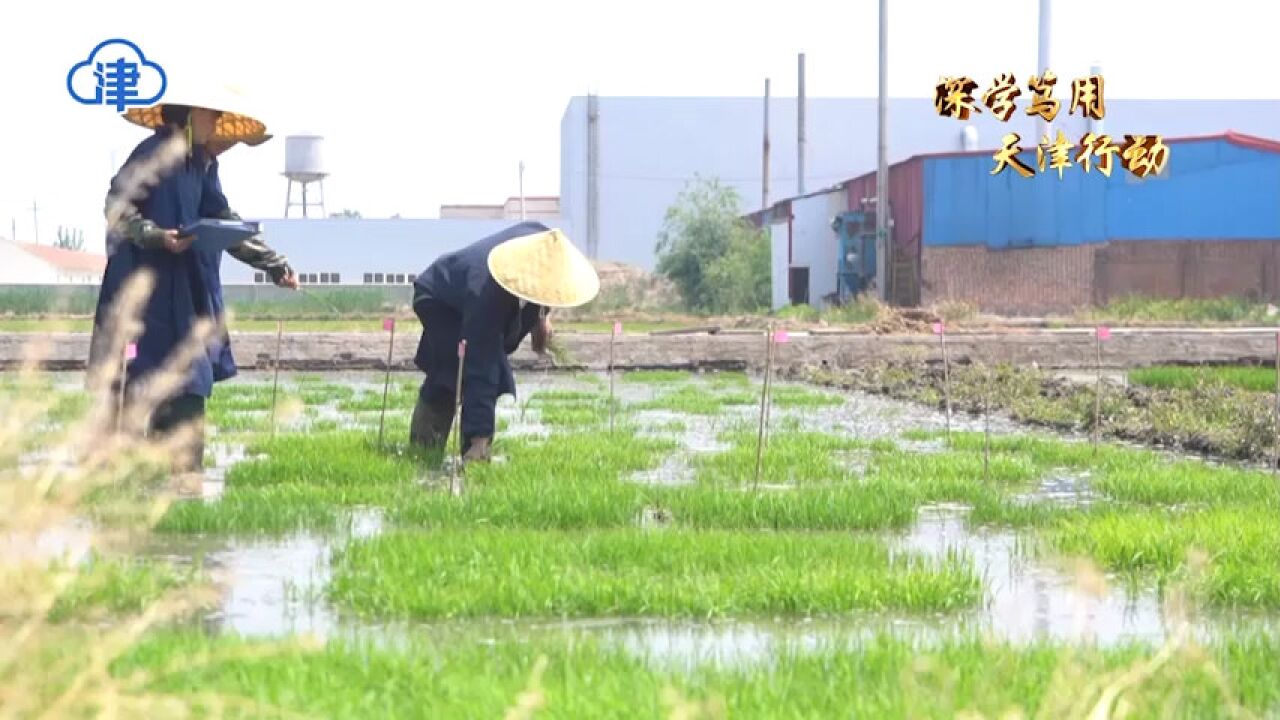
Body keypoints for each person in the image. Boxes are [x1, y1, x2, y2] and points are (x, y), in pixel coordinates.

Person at [89, 88, 299, 474]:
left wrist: (273, 263)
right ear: (187, 117)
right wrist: (156, 235)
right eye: (209, 115)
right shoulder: (152, 153)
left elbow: (225, 221)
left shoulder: (201, 165)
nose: (215, 124)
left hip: (187, 295)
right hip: (146, 297)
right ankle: (139, 483)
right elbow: (117, 206)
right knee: (146, 381)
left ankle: (185, 484)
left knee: (192, 382)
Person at [409, 222, 599, 463]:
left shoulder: (543, 241)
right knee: (459, 373)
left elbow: (547, 281)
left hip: (475, 294)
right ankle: (448, 450)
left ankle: (461, 445)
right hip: (440, 300)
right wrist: (481, 435)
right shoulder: (486, 293)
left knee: (486, 367)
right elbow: (481, 364)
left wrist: (542, 317)